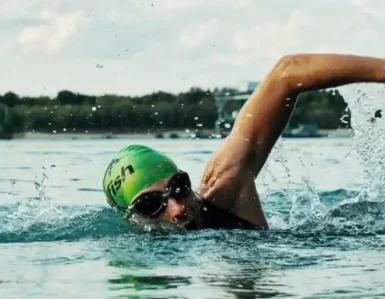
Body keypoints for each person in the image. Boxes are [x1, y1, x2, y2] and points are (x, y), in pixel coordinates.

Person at [103, 53, 385, 231]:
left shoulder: (224, 188)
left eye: (179, 187)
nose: (177, 209)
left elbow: (286, 73)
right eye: (151, 206)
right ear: (133, 219)